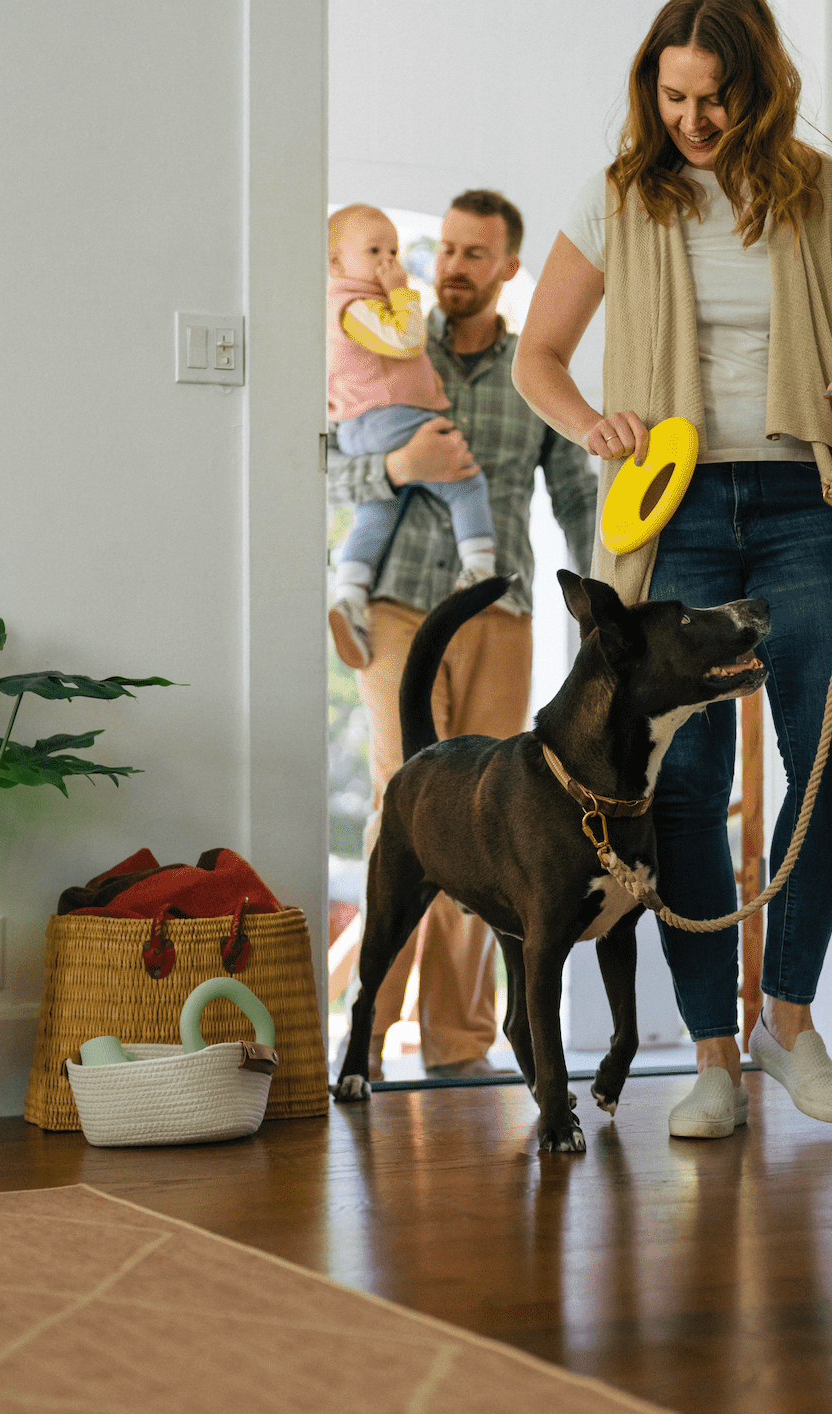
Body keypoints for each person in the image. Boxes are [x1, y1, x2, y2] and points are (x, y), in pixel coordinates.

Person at [515, 0, 832, 1138]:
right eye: (673, 95)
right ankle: (710, 1059)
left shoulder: (827, 194)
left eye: (715, 98)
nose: (691, 119)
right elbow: (538, 357)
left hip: (804, 499)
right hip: (672, 512)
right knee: (682, 783)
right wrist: (589, 423)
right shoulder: (617, 199)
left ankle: (788, 1022)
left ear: (760, 89)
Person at [328, 188, 596, 1080]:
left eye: (474, 254)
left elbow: (577, 497)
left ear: (509, 267)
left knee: (490, 821)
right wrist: (399, 465)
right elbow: (325, 463)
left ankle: (458, 1045)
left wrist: (608, 605)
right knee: (402, 804)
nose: (451, 266)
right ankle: (365, 1042)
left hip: (499, 615)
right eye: (445, 248)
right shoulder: (387, 343)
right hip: (399, 606)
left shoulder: (535, 372)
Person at [326, 203, 496, 669]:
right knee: (465, 483)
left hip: (366, 429)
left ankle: (350, 597)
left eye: (393, 251)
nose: (388, 262)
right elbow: (405, 339)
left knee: (375, 515)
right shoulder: (354, 306)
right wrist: (402, 292)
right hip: (389, 418)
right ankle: (480, 570)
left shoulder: (353, 305)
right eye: (374, 252)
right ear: (335, 263)